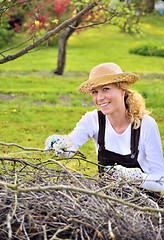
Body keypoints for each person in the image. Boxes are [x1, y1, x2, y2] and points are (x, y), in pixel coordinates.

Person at [45, 62, 164, 192]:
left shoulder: (146, 125)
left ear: (122, 90)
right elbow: (70, 148)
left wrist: (135, 178)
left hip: (144, 205)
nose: (99, 98)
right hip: (106, 204)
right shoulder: (93, 120)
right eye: (95, 92)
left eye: (106, 89)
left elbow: (161, 182)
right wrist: (60, 144)